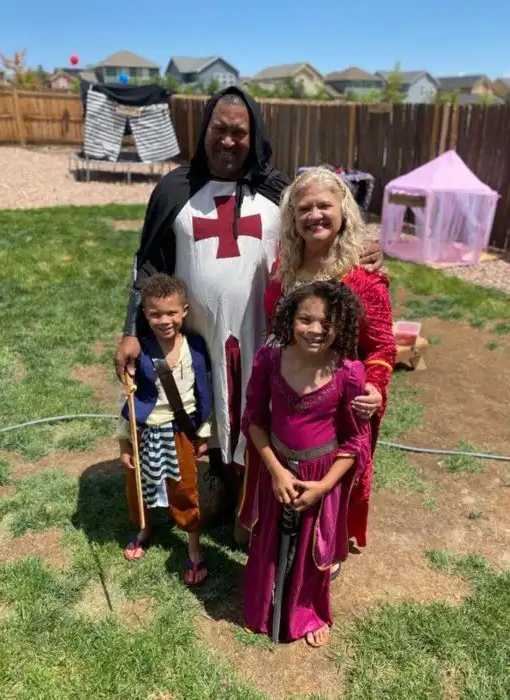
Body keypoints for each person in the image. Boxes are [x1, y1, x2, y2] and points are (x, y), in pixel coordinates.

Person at [114, 86, 383, 530]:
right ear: (204, 131)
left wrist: (363, 249)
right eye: (219, 130)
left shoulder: (279, 191)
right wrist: (131, 330)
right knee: (202, 409)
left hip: (264, 333)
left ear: (254, 135)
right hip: (195, 335)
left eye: (239, 132)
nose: (228, 140)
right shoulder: (174, 189)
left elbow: (322, 232)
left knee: (259, 412)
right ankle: (215, 485)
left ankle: (254, 504)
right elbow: (148, 265)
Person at [263, 167, 396, 553]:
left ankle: (326, 546)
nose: (315, 215)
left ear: (344, 211)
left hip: (335, 405)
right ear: (292, 217)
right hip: (287, 391)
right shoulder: (285, 267)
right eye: (304, 208)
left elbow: (382, 347)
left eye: (324, 206)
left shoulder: (363, 276)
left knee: (330, 480)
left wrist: (375, 386)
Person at [239, 280, 371, 646]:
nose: (315, 330)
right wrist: (276, 471)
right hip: (277, 468)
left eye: (327, 323)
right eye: (305, 319)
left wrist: (324, 486)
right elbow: (253, 419)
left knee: (313, 549)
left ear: (341, 325)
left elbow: (355, 440)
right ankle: (262, 608)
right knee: (268, 540)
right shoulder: (269, 359)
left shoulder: (348, 372)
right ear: (289, 319)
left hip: (320, 475)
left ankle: (307, 613)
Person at [117, 273, 212, 585]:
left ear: (184, 311)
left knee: (184, 489)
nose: (164, 320)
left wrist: (203, 433)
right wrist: (125, 443)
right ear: (145, 315)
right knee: (139, 485)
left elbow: (204, 393)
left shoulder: (195, 348)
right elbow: (129, 400)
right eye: (155, 314)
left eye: (171, 312)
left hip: (180, 432)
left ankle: (194, 547)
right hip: (145, 433)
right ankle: (145, 528)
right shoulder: (140, 351)